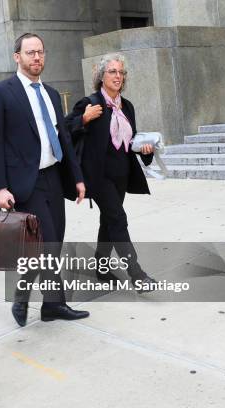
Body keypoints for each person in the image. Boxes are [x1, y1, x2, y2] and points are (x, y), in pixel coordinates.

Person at [0, 33, 90, 327]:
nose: (36, 58)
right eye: (30, 53)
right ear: (17, 56)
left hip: (54, 177)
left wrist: (77, 178)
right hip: (24, 183)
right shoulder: (2, 92)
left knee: (53, 242)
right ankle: (24, 296)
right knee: (45, 244)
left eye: (41, 52)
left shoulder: (52, 94)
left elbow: (63, 138)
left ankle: (52, 306)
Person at [65, 53, 157, 291]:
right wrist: (83, 119)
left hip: (121, 174)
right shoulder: (90, 102)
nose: (118, 76)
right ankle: (137, 275)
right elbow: (63, 130)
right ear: (101, 76)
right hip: (98, 176)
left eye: (121, 72)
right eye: (113, 72)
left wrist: (146, 150)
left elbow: (132, 141)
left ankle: (102, 268)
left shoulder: (127, 106)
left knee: (109, 220)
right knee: (118, 219)